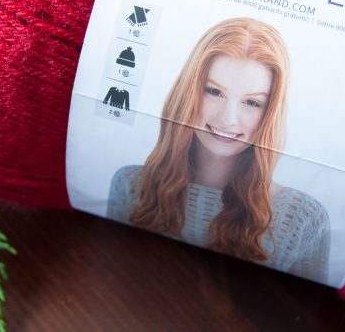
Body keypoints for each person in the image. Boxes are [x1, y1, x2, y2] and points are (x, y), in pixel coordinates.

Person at [107, 17, 330, 283]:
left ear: (270, 113)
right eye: (214, 91)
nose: (228, 119)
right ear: (188, 93)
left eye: (251, 102)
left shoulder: (303, 218)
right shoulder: (130, 184)